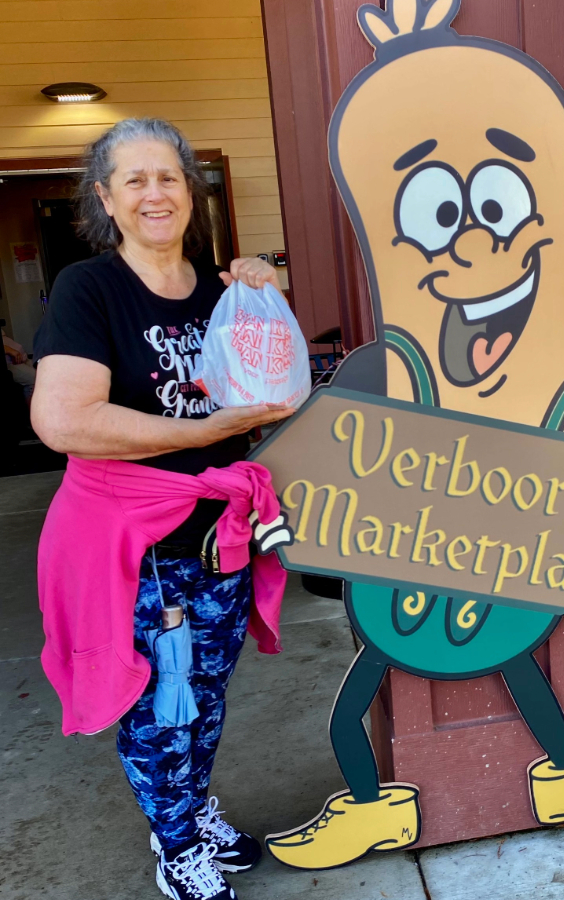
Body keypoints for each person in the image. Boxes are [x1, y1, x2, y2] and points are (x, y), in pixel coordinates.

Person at [31, 118, 294, 900]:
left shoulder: (222, 292)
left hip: (219, 538)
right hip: (137, 546)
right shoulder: (90, 289)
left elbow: (267, 389)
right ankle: (177, 844)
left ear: (191, 191)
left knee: (204, 696)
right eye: (135, 179)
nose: (155, 193)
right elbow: (65, 421)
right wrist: (203, 432)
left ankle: (190, 810)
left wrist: (264, 294)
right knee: (160, 706)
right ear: (106, 198)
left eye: (169, 177)